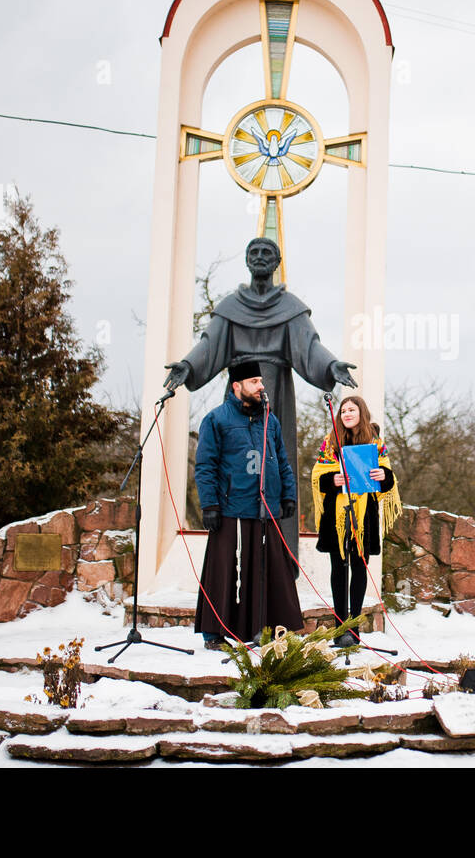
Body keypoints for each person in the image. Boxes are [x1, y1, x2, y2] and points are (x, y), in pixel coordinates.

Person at [163, 238, 357, 562]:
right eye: (254, 253)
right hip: (239, 396)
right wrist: (188, 366)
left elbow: (310, 346)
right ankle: (235, 552)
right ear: (247, 261)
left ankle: (277, 559)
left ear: (277, 261)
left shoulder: (291, 308)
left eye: (267, 253)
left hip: (276, 390)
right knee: (235, 463)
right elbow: (209, 345)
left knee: (275, 464)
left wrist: (330, 365)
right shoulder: (230, 308)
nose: (260, 257)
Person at [193, 360, 303, 647]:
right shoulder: (216, 420)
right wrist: (210, 505)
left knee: (267, 569)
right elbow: (205, 466)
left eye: (261, 381)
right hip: (229, 507)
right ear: (237, 386)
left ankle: (264, 629)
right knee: (223, 569)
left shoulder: (270, 420)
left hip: (265, 507)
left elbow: (282, 461)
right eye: (255, 381)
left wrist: (288, 495)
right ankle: (213, 633)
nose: (261, 386)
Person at [310, 395, 401, 647]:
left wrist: (383, 475)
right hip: (337, 514)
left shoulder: (375, 441)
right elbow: (318, 476)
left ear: (362, 412)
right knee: (338, 568)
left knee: (359, 568)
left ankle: (355, 628)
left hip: (364, 514)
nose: (346, 413)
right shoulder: (330, 442)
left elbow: (387, 479)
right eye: (342, 410)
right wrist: (334, 480)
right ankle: (340, 628)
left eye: (351, 409)